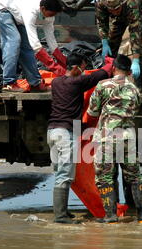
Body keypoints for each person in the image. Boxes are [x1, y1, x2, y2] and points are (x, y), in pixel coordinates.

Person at [48, 54, 113, 224]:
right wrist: (110, 63)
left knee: (60, 173)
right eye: (83, 68)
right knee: (64, 175)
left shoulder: (56, 82)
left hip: (52, 133)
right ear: (75, 68)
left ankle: (63, 211)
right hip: (65, 135)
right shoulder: (77, 83)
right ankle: (60, 217)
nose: (84, 71)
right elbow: (100, 75)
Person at [87, 54, 142, 224]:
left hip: (107, 138)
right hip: (128, 138)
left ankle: (111, 216)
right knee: (134, 177)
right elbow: (135, 109)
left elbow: (92, 111)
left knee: (105, 177)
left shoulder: (103, 85)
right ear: (129, 72)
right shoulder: (135, 89)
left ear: (113, 68)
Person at [0, 0, 66, 92]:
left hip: (18, 13)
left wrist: (64, 63)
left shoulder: (49, 17)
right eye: (51, 14)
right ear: (42, 8)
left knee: (26, 49)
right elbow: (35, 44)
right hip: (2, 7)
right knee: (14, 40)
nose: (52, 16)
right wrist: (54, 67)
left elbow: (51, 41)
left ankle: (35, 84)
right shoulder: (30, 12)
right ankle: (8, 83)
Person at [95, 0, 142, 87]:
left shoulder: (132, 3)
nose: (115, 12)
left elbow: (135, 32)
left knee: (138, 46)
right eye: (111, 10)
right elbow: (102, 23)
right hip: (119, 17)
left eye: (117, 9)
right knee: (112, 41)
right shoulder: (101, 3)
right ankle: (110, 77)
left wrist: (135, 60)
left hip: (137, 13)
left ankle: (138, 85)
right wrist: (105, 42)